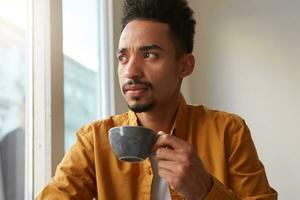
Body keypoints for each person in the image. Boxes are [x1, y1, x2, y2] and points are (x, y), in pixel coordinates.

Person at [37, 0, 277, 199]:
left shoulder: (229, 133)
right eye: (123, 57)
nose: (130, 71)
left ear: (184, 65)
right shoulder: (93, 142)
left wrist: (206, 190)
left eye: (150, 54)